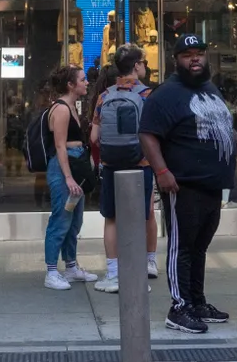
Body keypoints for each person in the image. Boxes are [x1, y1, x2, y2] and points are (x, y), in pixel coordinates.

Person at [138, 35, 237, 334]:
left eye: (199, 54)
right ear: (176, 60)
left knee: (199, 247)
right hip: (182, 185)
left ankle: (196, 301)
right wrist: (161, 171)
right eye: (187, 55)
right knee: (182, 248)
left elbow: (224, 126)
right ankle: (178, 307)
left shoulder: (209, 88)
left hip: (213, 184)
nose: (195, 59)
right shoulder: (166, 94)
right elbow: (147, 134)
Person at [91, 45, 160, 294]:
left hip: (111, 166)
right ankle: (143, 267)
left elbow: (94, 136)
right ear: (137, 65)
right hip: (141, 165)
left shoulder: (104, 95)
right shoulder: (147, 95)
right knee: (144, 215)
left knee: (112, 219)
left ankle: (113, 273)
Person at [42, 64, 99, 290]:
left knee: (75, 221)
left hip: (76, 163)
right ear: (70, 84)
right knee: (61, 219)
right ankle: (51, 271)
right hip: (64, 167)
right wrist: (68, 178)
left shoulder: (73, 106)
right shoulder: (62, 109)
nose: (86, 82)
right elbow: (60, 146)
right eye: (82, 79)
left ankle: (71, 266)